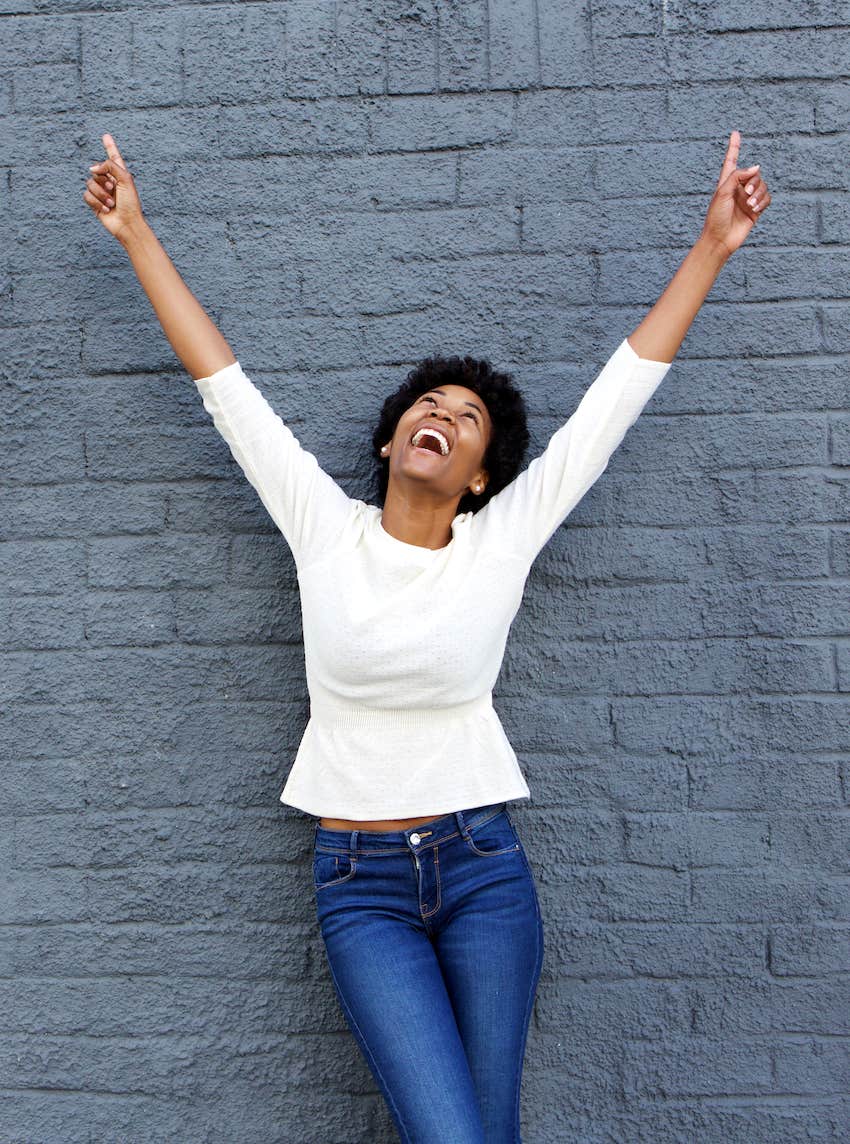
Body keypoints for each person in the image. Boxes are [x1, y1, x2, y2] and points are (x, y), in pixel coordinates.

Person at [83, 130, 770, 1144]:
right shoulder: (323, 528)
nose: (440, 414)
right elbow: (223, 386)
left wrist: (712, 247)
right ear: (393, 436)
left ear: (480, 474)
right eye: (427, 403)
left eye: (467, 417)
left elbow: (615, 401)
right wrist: (135, 233)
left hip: (482, 867)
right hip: (360, 887)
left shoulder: (500, 541)